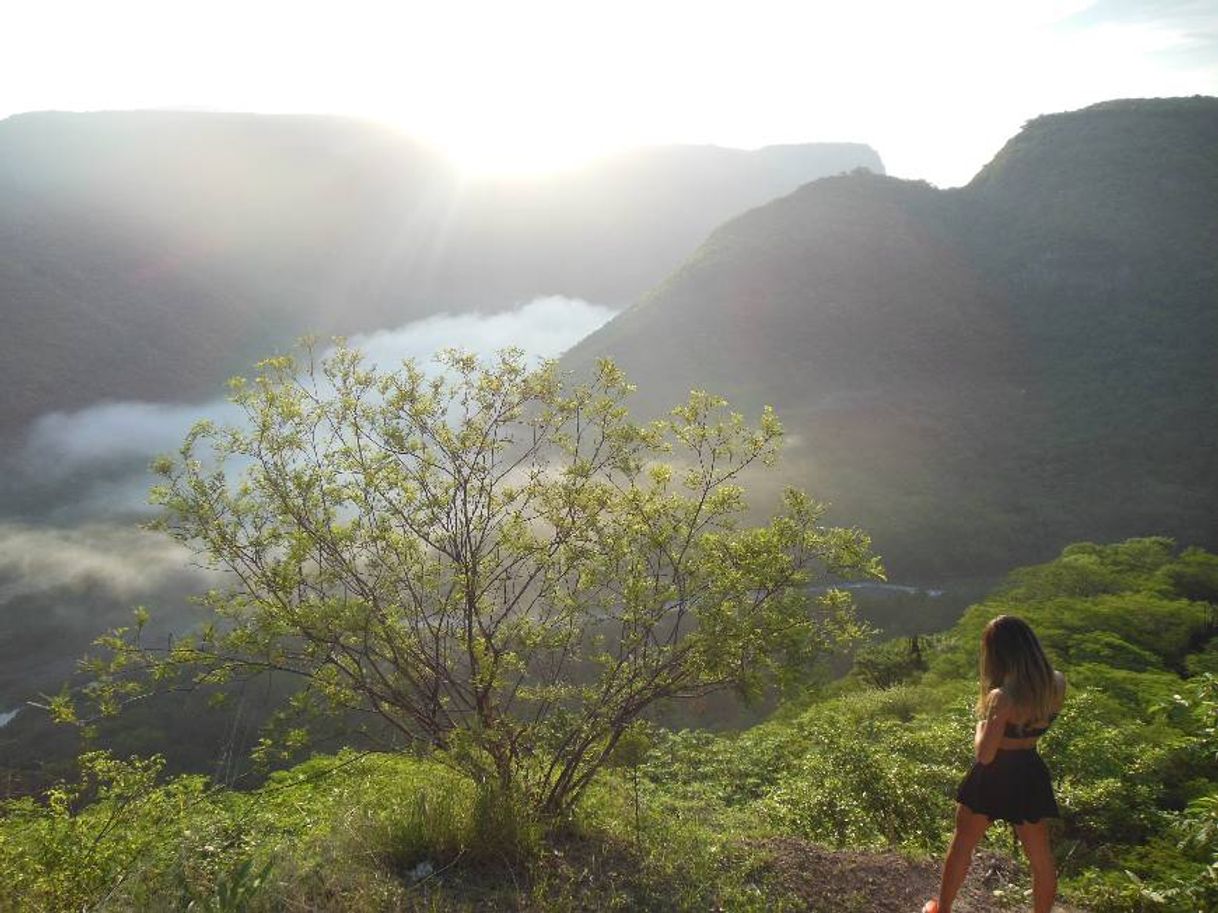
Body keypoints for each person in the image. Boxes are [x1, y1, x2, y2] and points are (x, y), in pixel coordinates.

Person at [923, 615, 1067, 913]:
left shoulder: (1002, 697)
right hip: (1029, 770)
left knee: (963, 844)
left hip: (994, 775)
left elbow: (985, 755)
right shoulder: (1056, 683)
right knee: (1041, 859)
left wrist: (979, 730)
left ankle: (943, 909)